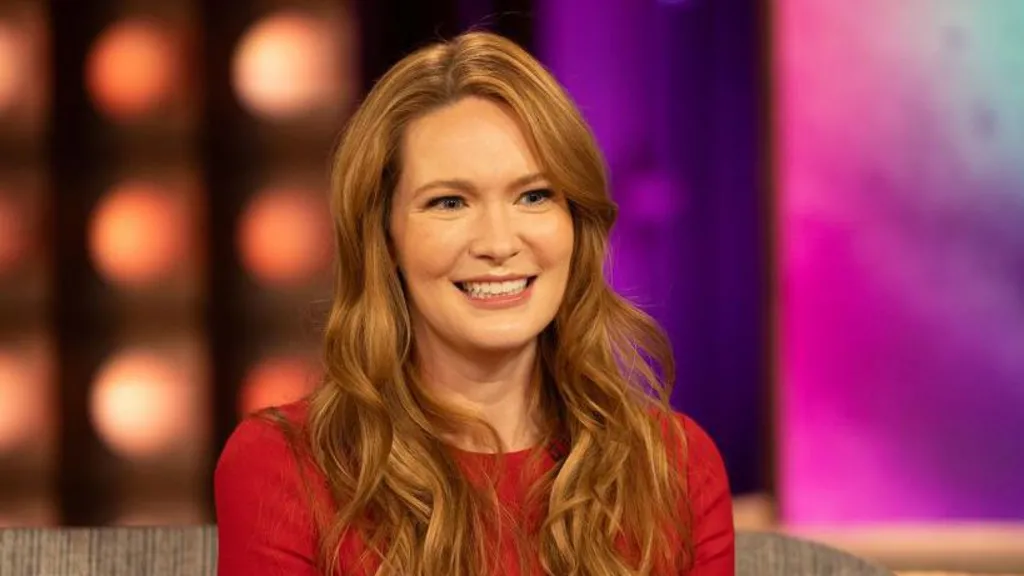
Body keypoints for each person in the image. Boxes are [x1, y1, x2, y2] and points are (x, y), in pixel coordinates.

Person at [215, 30, 734, 576]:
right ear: (385, 237)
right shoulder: (286, 466)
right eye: (449, 202)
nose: (498, 243)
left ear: (575, 223)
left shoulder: (673, 466)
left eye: (534, 195)